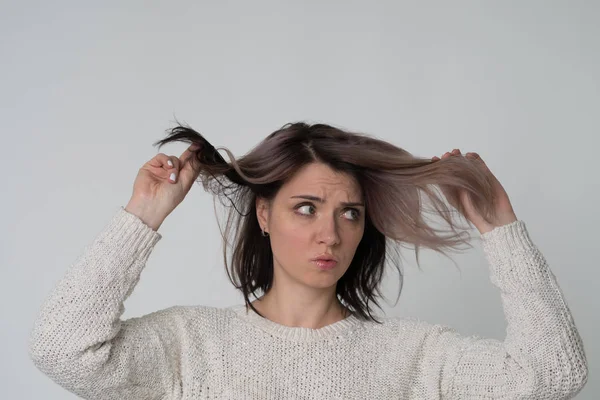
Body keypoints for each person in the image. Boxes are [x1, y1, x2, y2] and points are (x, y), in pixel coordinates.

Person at [28, 122, 588, 399]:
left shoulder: (413, 356)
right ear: (264, 214)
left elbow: (552, 374)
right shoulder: (190, 345)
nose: (330, 233)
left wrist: (502, 229)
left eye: (349, 213)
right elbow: (64, 349)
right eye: (306, 208)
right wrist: (142, 216)